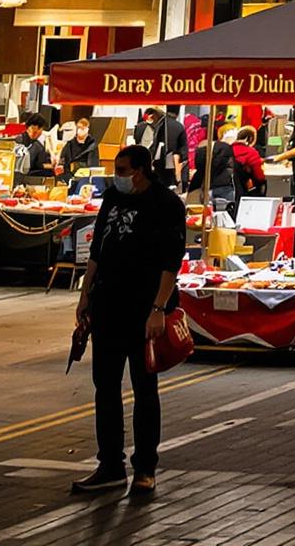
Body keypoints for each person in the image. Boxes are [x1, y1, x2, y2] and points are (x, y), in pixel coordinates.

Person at [71, 146, 186, 502]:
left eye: (122, 169)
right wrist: (85, 294)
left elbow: (171, 261)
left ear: (140, 170)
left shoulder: (165, 204)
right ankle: (110, 465)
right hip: (107, 306)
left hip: (143, 308)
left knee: (144, 388)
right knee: (105, 386)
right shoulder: (112, 198)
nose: (116, 175)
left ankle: (145, 468)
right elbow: (98, 251)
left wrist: (158, 308)